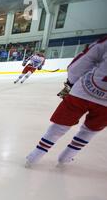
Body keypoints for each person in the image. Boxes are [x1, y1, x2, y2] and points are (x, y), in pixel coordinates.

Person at [25, 37, 107, 167]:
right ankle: (67, 156)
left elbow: (82, 62)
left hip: (83, 90)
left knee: (60, 124)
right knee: (90, 130)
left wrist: (72, 82)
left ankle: (35, 155)